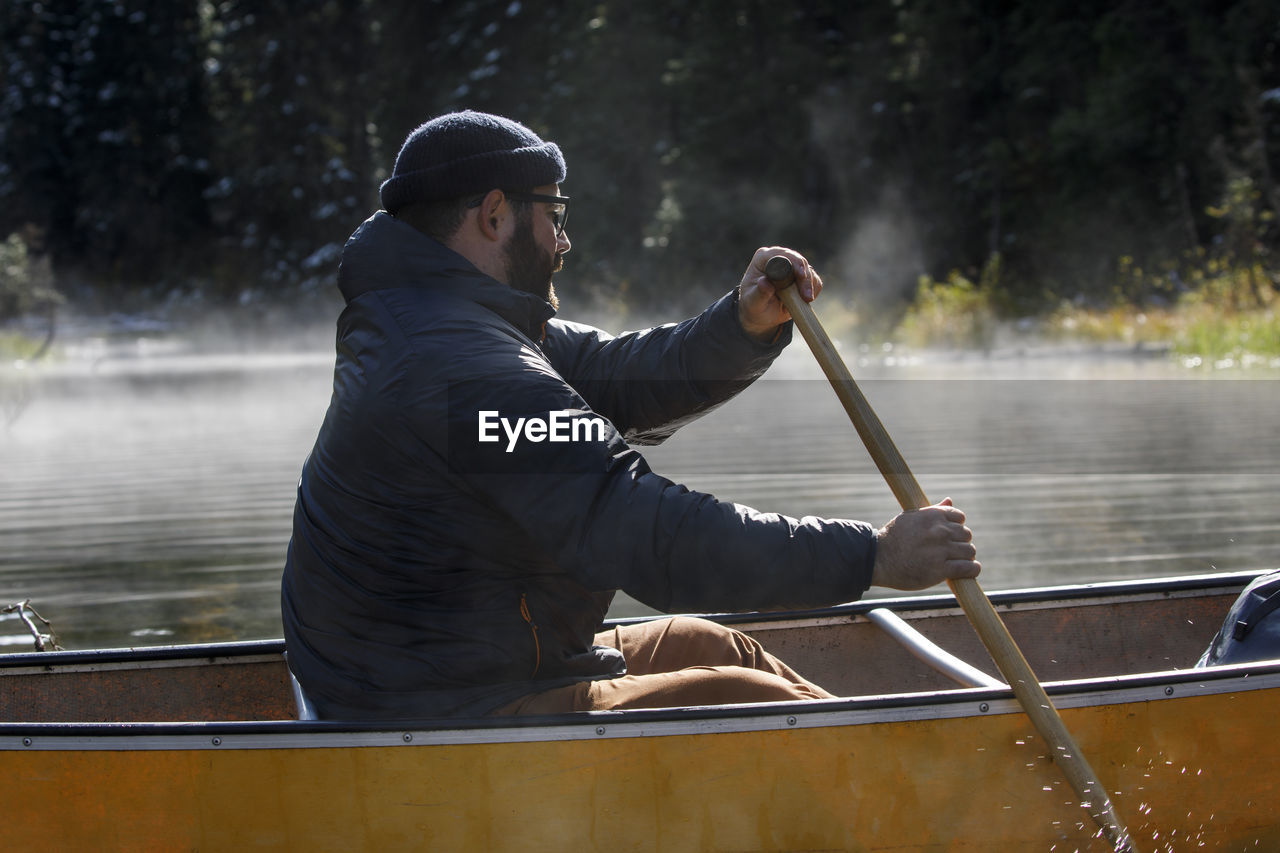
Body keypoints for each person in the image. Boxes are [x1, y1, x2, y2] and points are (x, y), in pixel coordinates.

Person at [280, 110, 980, 720]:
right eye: (554, 214)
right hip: (436, 710)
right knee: (744, 697)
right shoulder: (464, 369)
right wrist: (875, 554)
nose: (562, 241)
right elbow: (651, 533)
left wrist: (743, 325)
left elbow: (620, 373)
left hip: (454, 670)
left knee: (710, 646)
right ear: (495, 213)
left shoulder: (440, 321)